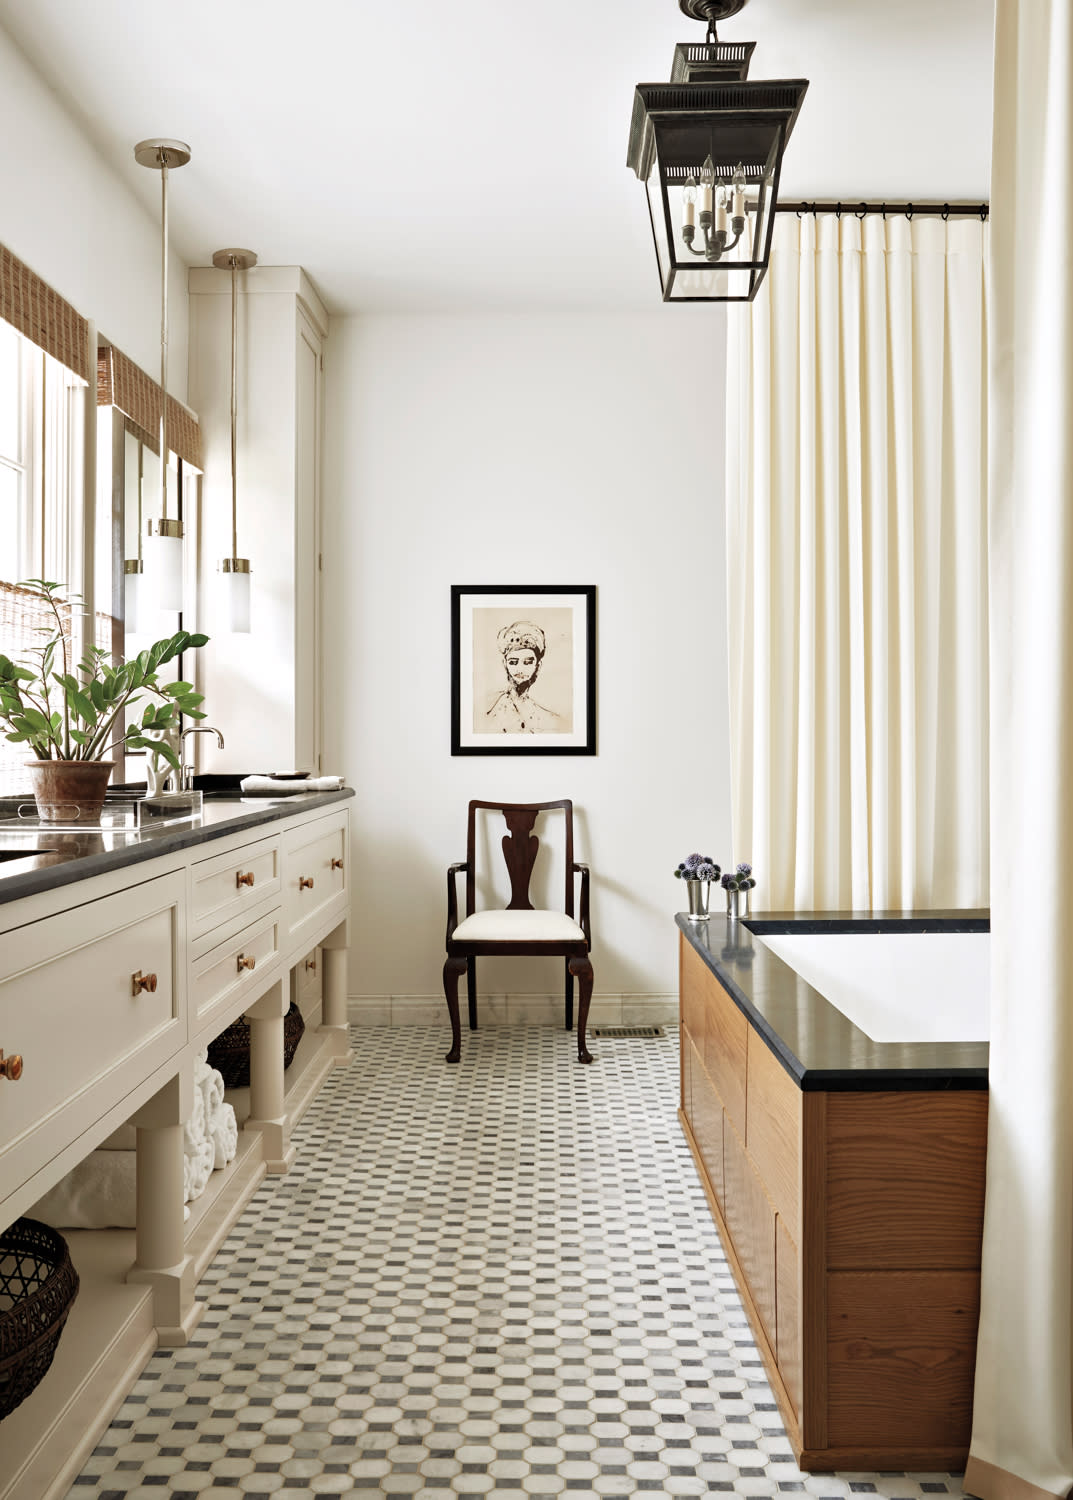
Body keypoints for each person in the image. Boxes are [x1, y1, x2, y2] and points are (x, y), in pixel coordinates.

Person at [484, 620, 562, 733]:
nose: (520, 670)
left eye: (528, 662)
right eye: (513, 662)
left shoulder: (548, 718)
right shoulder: (490, 711)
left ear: (538, 666)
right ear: (504, 664)